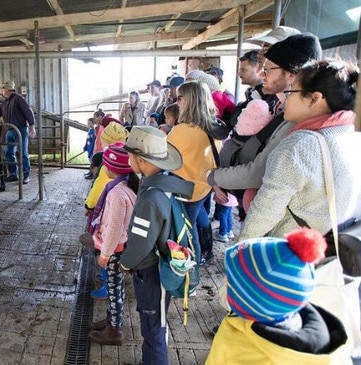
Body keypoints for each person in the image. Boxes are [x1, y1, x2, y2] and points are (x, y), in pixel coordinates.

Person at [239, 59, 361, 240]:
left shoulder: (300, 145)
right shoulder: (350, 134)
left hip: (288, 251)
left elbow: (266, 211)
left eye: (291, 91)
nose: (285, 98)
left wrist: (240, 250)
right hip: (327, 248)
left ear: (315, 98)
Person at [208, 33, 323, 204]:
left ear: (292, 73)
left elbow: (258, 172)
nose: (261, 74)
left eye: (268, 68)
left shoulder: (298, 118)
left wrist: (213, 177)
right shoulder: (280, 107)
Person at [206, 228, 351, 364]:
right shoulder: (270, 312)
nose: (225, 283)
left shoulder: (251, 357)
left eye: (230, 282)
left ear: (250, 300)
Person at [120, 126, 194, 365]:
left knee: (153, 327)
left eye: (130, 156)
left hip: (151, 271)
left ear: (140, 160)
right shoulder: (167, 184)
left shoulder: (151, 197)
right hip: (160, 264)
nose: (129, 160)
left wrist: (126, 262)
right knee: (155, 323)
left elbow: (141, 242)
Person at [87, 143, 138, 345]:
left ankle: (114, 331)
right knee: (115, 286)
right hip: (120, 246)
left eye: (105, 165)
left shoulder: (117, 194)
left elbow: (115, 228)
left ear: (111, 168)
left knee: (114, 288)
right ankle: (111, 320)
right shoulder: (127, 185)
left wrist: (105, 254)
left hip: (115, 249)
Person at [167, 81, 221, 264]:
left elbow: (166, 157)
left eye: (180, 98)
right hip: (205, 185)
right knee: (201, 217)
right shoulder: (215, 126)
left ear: (189, 101)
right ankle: (207, 251)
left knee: (187, 231)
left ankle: (192, 269)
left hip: (186, 190)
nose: (177, 101)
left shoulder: (182, 130)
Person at [0, 81, 36, 184]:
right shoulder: (4, 103)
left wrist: (32, 126)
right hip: (10, 130)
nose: (2, 91)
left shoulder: (19, 99)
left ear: (8, 89)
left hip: (21, 130)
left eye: (3, 89)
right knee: (9, 153)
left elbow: (28, 111)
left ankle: (26, 175)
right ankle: (13, 174)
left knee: (23, 153)